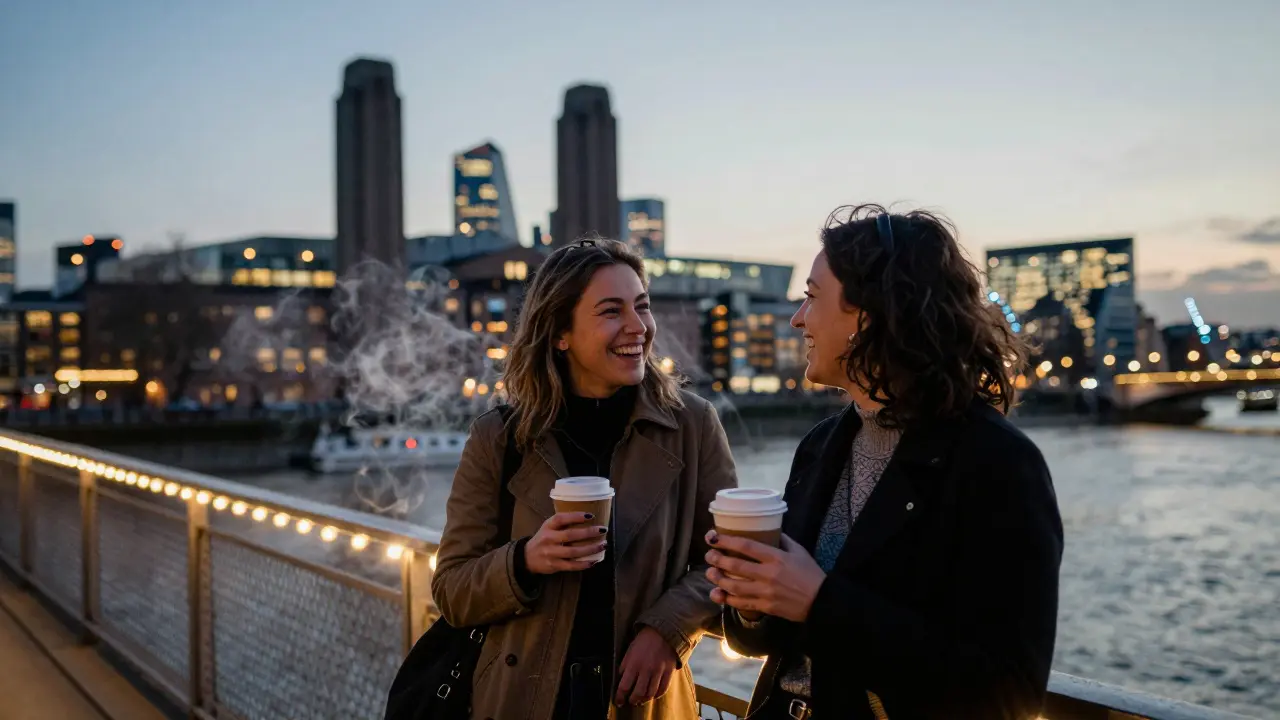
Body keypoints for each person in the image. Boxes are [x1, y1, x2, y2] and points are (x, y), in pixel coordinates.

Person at [706, 205, 1064, 719]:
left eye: (811, 297)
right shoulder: (820, 446)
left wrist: (818, 601)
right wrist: (750, 599)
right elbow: (765, 639)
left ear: (869, 314)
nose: (797, 318)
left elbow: (1008, 692)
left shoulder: (999, 464)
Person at [431, 238, 738, 720]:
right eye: (612, 311)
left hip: (644, 701)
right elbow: (451, 590)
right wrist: (526, 560)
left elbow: (729, 558)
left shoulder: (692, 427)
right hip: (521, 701)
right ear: (559, 333)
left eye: (642, 306)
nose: (638, 327)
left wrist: (668, 629)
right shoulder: (499, 438)